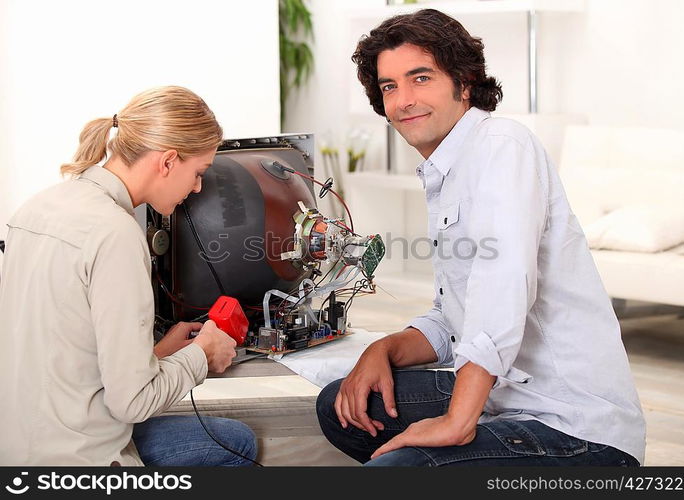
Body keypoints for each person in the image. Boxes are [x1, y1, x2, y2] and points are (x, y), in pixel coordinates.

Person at [316, 9, 646, 466]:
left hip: (574, 425)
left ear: (464, 82)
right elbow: (458, 314)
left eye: (421, 78)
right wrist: (384, 348)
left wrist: (457, 421)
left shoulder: (502, 146)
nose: (404, 99)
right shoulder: (446, 169)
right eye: (390, 86)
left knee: (397, 468)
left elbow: (501, 286)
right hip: (504, 398)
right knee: (344, 406)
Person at [0, 86, 257, 466]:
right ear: (168, 161)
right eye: (198, 173)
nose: (198, 187)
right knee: (239, 444)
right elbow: (132, 403)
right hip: (79, 460)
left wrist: (157, 354)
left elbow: (64, 352)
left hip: (18, 446)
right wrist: (201, 355)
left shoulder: (38, 206)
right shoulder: (115, 233)